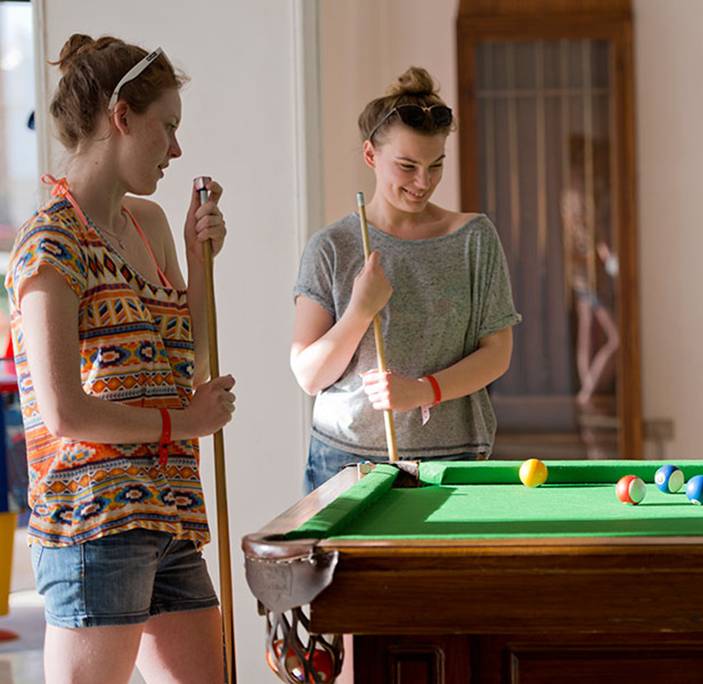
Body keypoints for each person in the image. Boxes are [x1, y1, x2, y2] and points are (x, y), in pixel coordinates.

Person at [4, 35, 235, 683]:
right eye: (167, 127)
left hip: (170, 515)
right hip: (94, 525)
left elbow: (192, 357)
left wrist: (198, 261)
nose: (177, 148)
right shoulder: (50, 243)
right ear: (121, 116)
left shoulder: (150, 225)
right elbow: (65, 412)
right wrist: (182, 425)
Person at [291, 66, 521, 491]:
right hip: (345, 461)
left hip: (453, 460)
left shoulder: (474, 238)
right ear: (370, 156)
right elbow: (309, 375)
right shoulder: (332, 246)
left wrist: (423, 391)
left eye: (436, 165)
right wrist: (360, 311)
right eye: (407, 165)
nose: (423, 182)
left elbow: (497, 354)